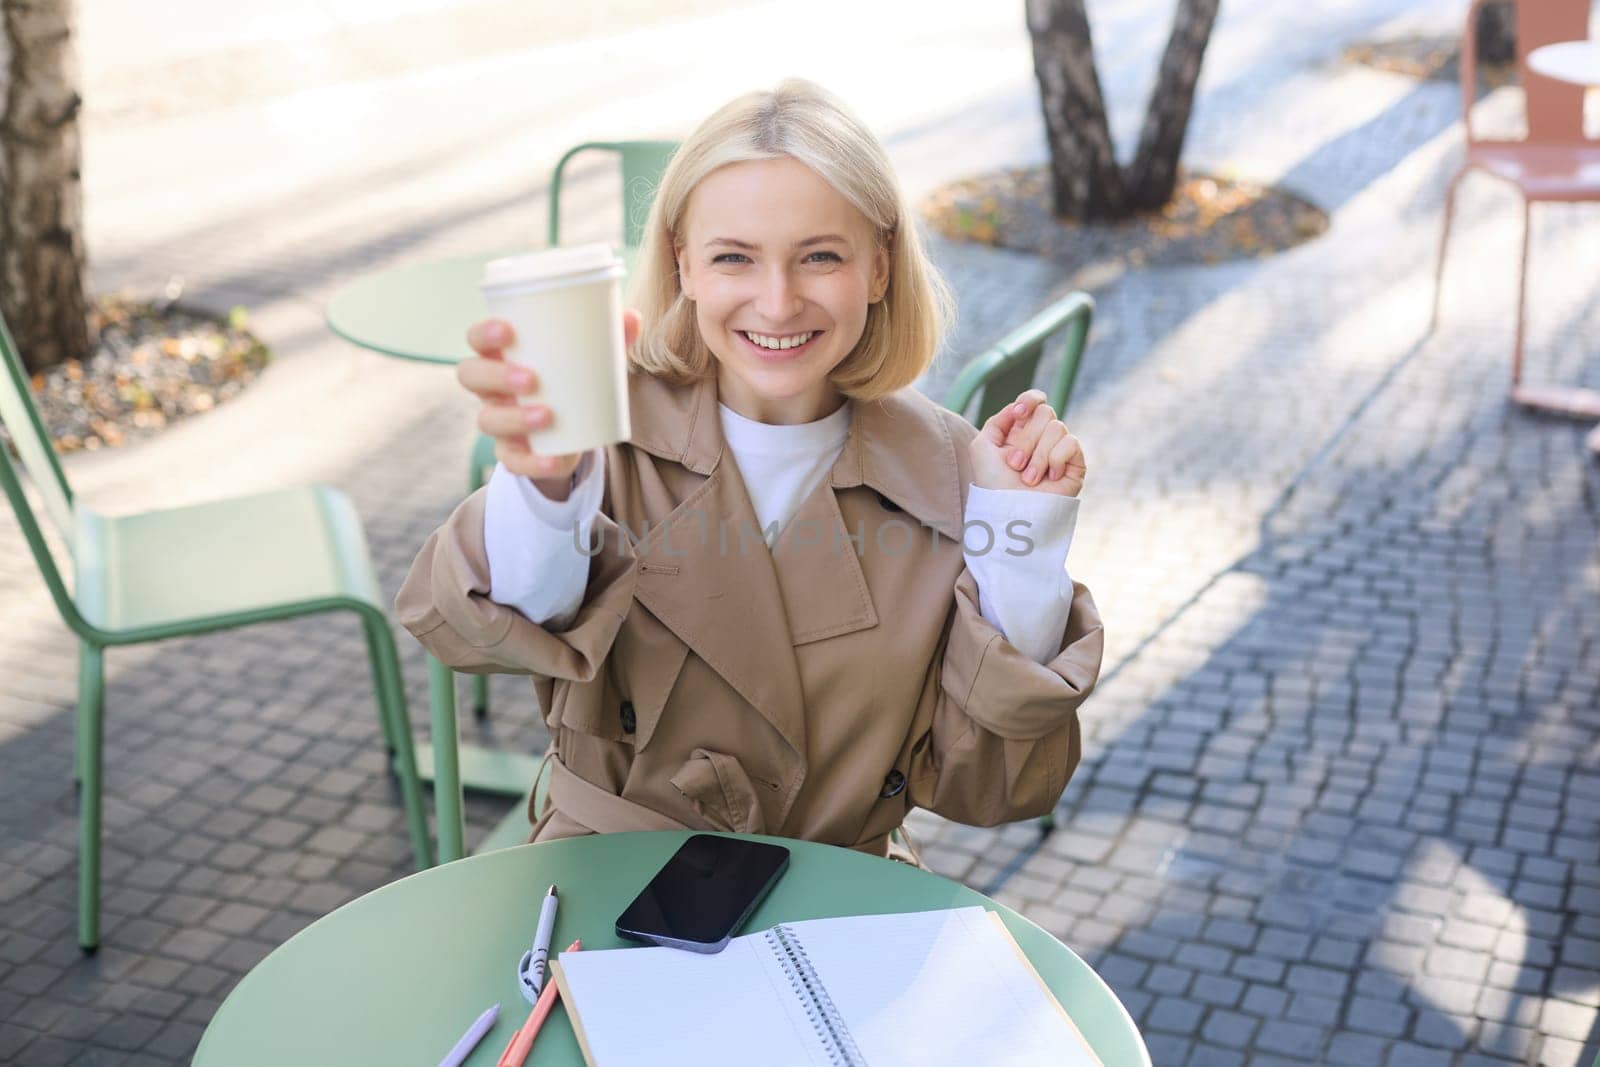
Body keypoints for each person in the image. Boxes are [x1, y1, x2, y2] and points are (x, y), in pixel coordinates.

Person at [396, 78, 1102, 860]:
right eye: (734, 257)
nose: (776, 302)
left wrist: (1022, 543)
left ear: (878, 267)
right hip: (611, 886)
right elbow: (482, 637)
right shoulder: (599, 437)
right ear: (683, 264)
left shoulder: (951, 473)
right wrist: (541, 487)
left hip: (838, 898)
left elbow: (998, 786)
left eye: (820, 257)